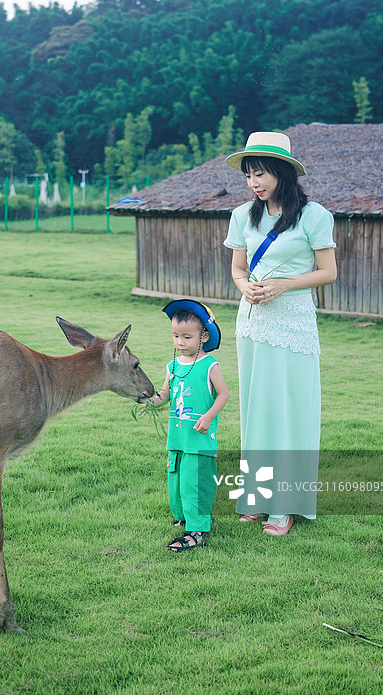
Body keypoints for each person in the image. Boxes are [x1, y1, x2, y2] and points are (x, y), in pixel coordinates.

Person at [223, 132, 337, 536]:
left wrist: (284, 284)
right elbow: (238, 270)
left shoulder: (314, 215)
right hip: (252, 322)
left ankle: (284, 505)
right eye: (249, 175)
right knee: (257, 409)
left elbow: (328, 272)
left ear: (283, 172)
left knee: (288, 410)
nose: (254, 182)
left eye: (262, 173)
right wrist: (244, 287)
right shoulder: (242, 215)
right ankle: (254, 495)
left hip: (292, 323)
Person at [152, 300, 229, 551]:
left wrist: (208, 417)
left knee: (195, 482)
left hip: (199, 440)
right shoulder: (172, 366)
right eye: (175, 336)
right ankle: (185, 517)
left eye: (187, 336)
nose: (180, 342)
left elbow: (223, 395)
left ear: (203, 336)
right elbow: (166, 394)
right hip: (177, 439)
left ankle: (196, 531)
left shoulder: (210, 365)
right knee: (176, 482)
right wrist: (150, 400)